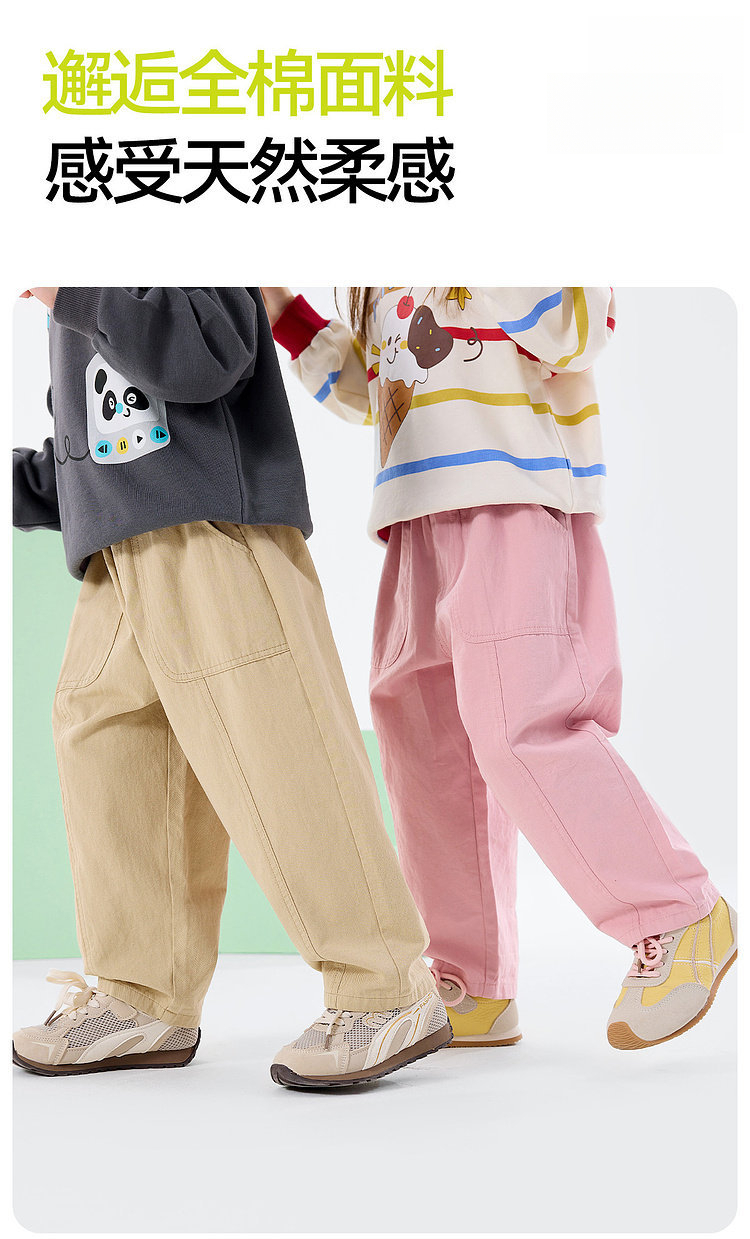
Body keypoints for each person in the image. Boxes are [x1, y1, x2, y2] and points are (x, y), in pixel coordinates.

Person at [263, 284, 737, 1050]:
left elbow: (579, 327)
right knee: (425, 747)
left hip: (514, 489)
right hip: (412, 511)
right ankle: (469, 976)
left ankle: (680, 910)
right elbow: (374, 389)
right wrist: (284, 313)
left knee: (521, 723)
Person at [12, 285, 451, 1088]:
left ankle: (384, 983)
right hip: (121, 548)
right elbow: (96, 442)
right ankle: (142, 992)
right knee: (107, 743)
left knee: (277, 746)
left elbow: (207, 353)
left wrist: (74, 287)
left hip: (213, 526)